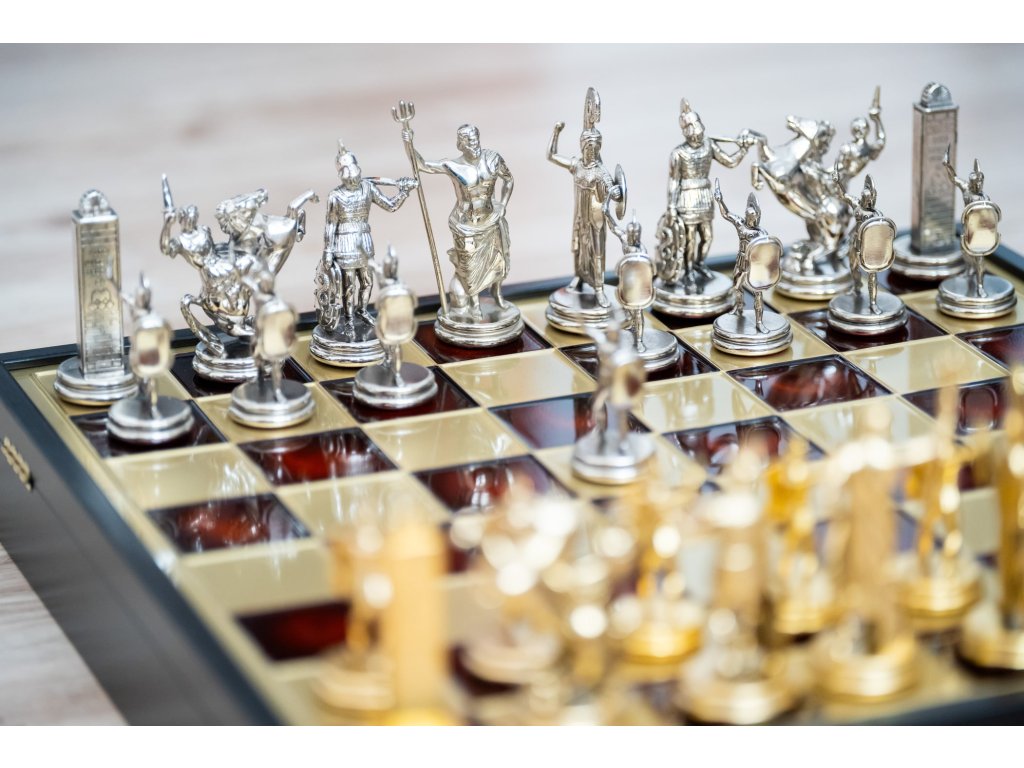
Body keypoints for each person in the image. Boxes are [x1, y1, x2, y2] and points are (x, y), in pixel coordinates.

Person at [408, 124, 513, 317]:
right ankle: (474, 304)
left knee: (499, 261)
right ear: (461, 145)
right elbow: (422, 165)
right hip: (466, 225)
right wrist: (409, 143)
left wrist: (503, 205)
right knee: (470, 266)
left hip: (491, 219)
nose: (475, 144)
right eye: (469, 141)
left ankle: (497, 293)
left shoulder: (493, 159)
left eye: (476, 139)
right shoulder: (453, 166)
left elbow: (509, 180)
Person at [657, 100, 755, 287]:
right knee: (689, 239)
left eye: (699, 132)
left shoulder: (709, 145)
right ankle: (688, 271)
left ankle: (699, 264)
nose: (697, 136)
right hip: (687, 198)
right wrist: (671, 206)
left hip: (705, 196)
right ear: (686, 133)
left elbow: (729, 162)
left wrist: (743, 149)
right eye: (693, 134)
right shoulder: (678, 153)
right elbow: (674, 181)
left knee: (707, 237)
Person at [319, 142, 417, 330]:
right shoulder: (335, 196)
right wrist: (327, 250)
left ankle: (362, 310)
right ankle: (348, 318)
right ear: (342, 177)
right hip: (345, 243)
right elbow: (330, 224)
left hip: (364, 241)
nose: (353, 180)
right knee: (348, 285)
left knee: (367, 281)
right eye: (348, 178)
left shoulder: (368, 188)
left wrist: (404, 192)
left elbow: (390, 205)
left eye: (355, 176)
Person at [548, 123, 621, 306]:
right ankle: (579, 276)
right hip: (580, 216)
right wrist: (556, 133)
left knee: (597, 251)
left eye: (595, 148)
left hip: (596, 219)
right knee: (579, 247)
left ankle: (599, 288)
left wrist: (617, 192)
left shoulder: (601, 172)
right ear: (582, 147)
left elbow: (614, 192)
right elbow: (551, 156)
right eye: (588, 147)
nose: (591, 151)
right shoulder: (577, 165)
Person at [714, 180, 772, 333]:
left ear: (757, 216)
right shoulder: (740, 224)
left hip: (754, 265)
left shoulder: (761, 233)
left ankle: (759, 322)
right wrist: (720, 200)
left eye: (752, 216)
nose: (750, 218)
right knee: (736, 286)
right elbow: (726, 214)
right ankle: (739, 306)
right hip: (740, 261)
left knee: (757, 293)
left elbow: (768, 252)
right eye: (748, 215)